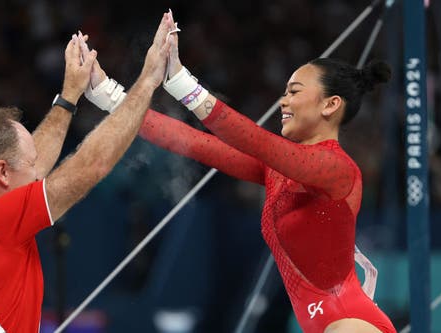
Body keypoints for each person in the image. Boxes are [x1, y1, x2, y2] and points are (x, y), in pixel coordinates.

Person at [79, 11, 396, 333]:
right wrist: (108, 95)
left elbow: (253, 139)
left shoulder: (337, 169)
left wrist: (180, 80)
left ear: (330, 105)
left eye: (295, 91)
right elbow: (196, 143)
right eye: (285, 91)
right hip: (323, 322)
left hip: (350, 321)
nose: (283, 101)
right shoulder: (280, 170)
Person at [0, 13, 175, 332]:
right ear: (1, 172)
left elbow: (32, 160)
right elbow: (91, 165)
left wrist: (69, 96)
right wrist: (148, 82)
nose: (37, 173)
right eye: (30, 166)